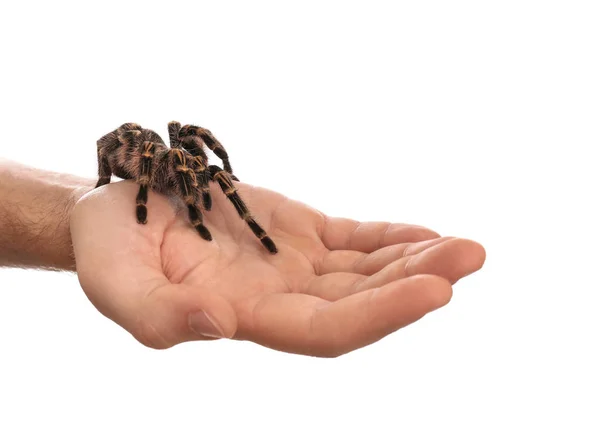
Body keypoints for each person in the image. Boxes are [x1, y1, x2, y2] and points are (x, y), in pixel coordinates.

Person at [0, 158, 485, 357]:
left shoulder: (188, 158)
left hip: (155, 169)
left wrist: (74, 209)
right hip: (134, 168)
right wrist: (110, 200)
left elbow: (201, 160)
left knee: (192, 160)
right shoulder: (135, 152)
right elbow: (117, 152)